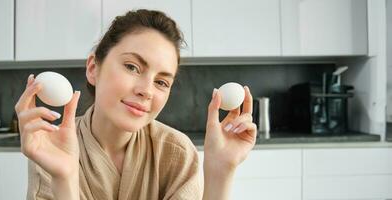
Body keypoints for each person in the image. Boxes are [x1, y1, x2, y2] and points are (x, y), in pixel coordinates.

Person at [15, 9, 257, 200]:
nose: (146, 90)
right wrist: (64, 177)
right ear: (93, 68)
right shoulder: (53, 148)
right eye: (132, 67)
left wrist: (220, 171)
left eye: (161, 82)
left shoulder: (177, 153)